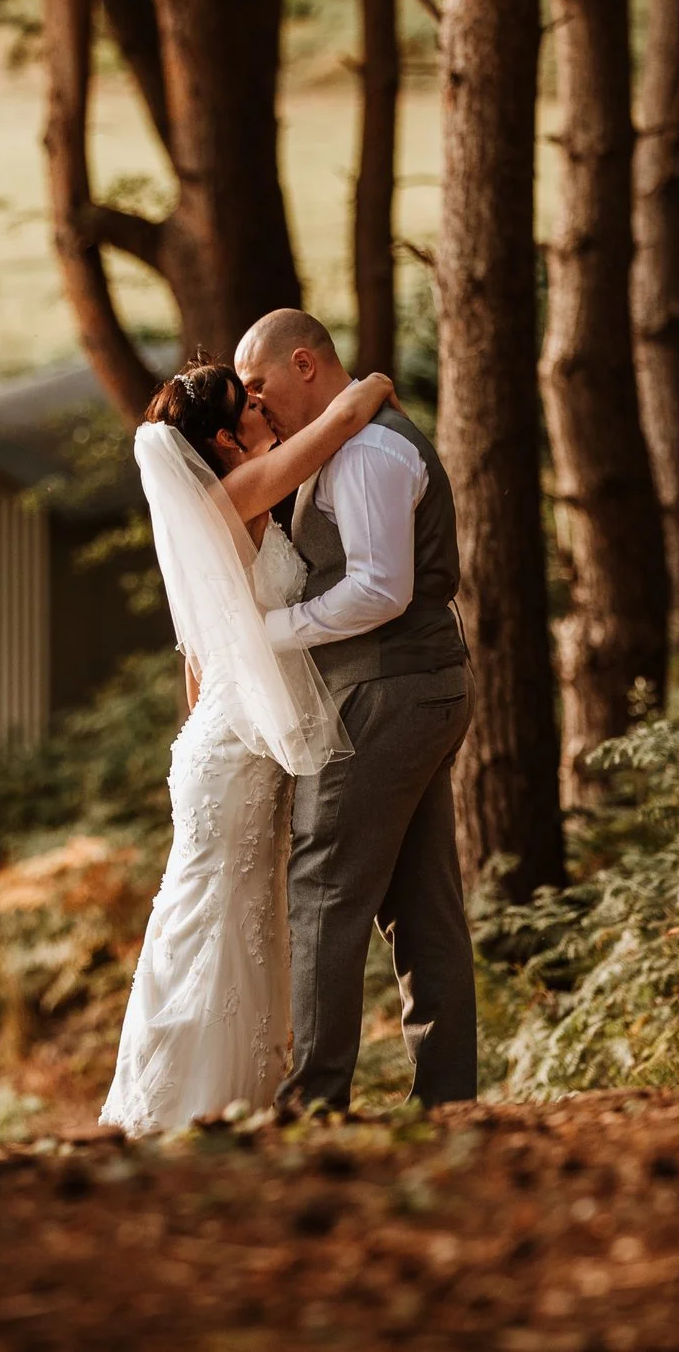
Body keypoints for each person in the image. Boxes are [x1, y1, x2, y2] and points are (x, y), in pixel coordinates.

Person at [99, 357, 398, 1136]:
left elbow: (203, 654)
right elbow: (338, 425)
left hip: (219, 742)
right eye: (251, 404)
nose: (265, 407)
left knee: (225, 915)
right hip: (229, 756)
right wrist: (365, 389)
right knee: (218, 918)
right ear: (230, 441)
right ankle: (183, 1107)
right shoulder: (238, 492)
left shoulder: (223, 504)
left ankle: (222, 1102)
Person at [233, 308, 475, 1116]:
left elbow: (381, 588)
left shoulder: (370, 451)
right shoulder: (342, 445)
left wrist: (275, 633)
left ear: (305, 365)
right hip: (414, 686)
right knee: (421, 901)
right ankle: (445, 1098)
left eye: (260, 386)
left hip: (386, 692)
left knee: (324, 884)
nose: (255, 405)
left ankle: (315, 1097)